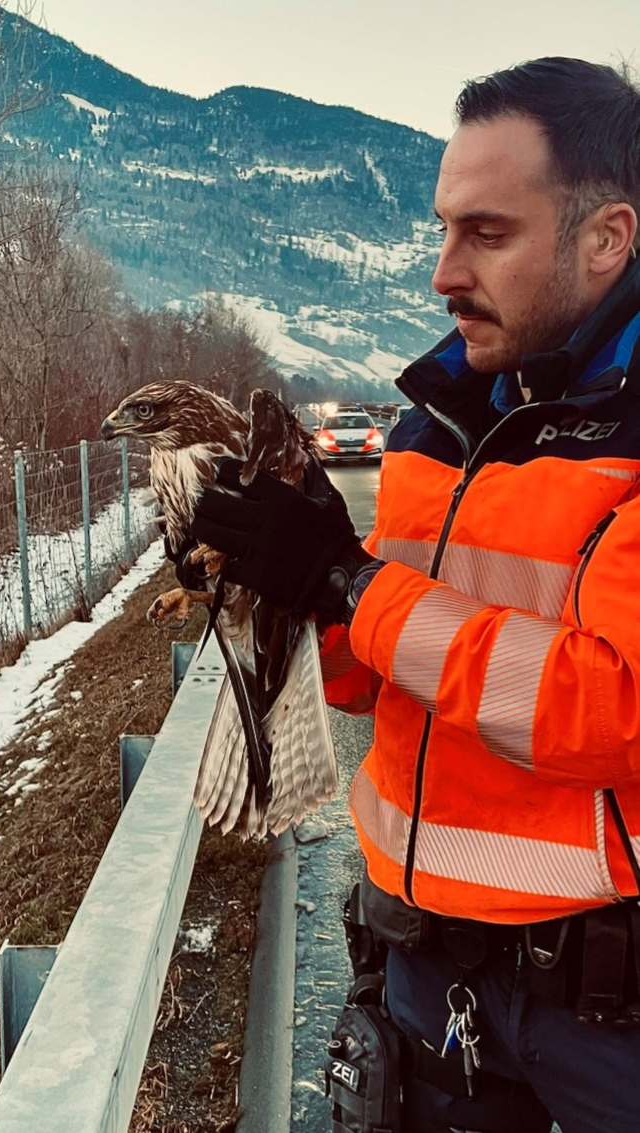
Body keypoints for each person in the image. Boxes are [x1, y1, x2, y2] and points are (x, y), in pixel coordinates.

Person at [188, 58, 640, 1133]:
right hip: (423, 977)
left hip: (608, 1015)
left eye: (485, 234)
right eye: (440, 230)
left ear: (604, 239)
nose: (441, 271)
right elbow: (372, 683)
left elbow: (611, 706)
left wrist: (352, 581)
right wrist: (285, 577)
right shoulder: (428, 424)